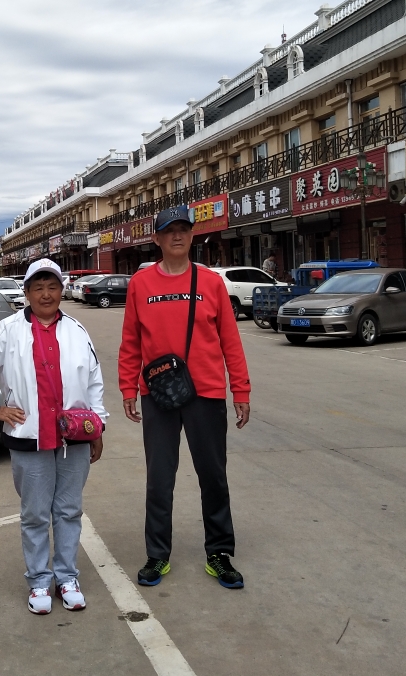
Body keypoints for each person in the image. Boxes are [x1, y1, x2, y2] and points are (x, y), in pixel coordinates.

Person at [0, 258, 107, 615]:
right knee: (35, 513)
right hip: (29, 436)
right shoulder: (8, 330)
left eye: (52, 286)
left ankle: (67, 577)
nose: (46, 294)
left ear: (61, 290)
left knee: (69, 510)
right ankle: (40, 581)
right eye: (38, 287)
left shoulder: (76, 329)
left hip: (74, 436)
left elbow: (93, 380)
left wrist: (98, 426)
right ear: (26, 293)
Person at [118, 205, 252, 590]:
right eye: (168, 230)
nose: (176, 235)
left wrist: (239, 389)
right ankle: (157, 555)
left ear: (192, 236)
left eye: (183, 229)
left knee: (213, 475)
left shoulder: (210, 283)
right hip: (158, 394)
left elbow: (231, 341)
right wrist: (129, 386)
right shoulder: (140, 286)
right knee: (160, 478)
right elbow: (131, 341)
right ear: (156, 239)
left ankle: (219, 552)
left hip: (206, 392)